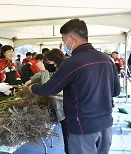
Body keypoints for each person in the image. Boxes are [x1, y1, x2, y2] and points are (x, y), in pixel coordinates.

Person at [28, 18, 120, 154]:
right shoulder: (107, 60)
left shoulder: (72, 63)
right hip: (106, 124)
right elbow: (116, 91)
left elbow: (50, 89)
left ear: (72, 38)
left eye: (64, 40)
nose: (64, 44)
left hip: (83, 126)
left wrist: (32, 88)